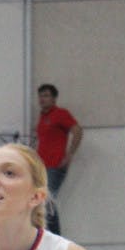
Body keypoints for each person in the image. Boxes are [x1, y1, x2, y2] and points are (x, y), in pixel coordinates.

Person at [35, 84, 82, 235]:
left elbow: (77, 131)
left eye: (47, 96)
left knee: (47, 200)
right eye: (41, 96)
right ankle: (47, 237)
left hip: (54, 165)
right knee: (44, 202)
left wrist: (69, 155)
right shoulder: (43, 117)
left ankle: (54, 238)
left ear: (54, 98)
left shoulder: (61, 114)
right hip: (42, 166)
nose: (43, 99)